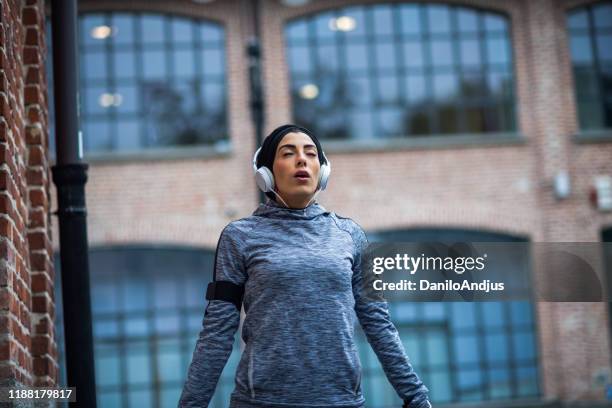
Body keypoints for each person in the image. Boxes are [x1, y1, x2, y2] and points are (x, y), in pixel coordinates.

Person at [178, 124, 431, 408]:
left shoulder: (350, 235)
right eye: (288, 153)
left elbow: (379, 324)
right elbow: (218, 331)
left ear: (322, 172)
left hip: (342, 402)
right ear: (266, 174)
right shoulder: (239, 237)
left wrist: (417, 398)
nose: (302, 160)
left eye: (311, 154)